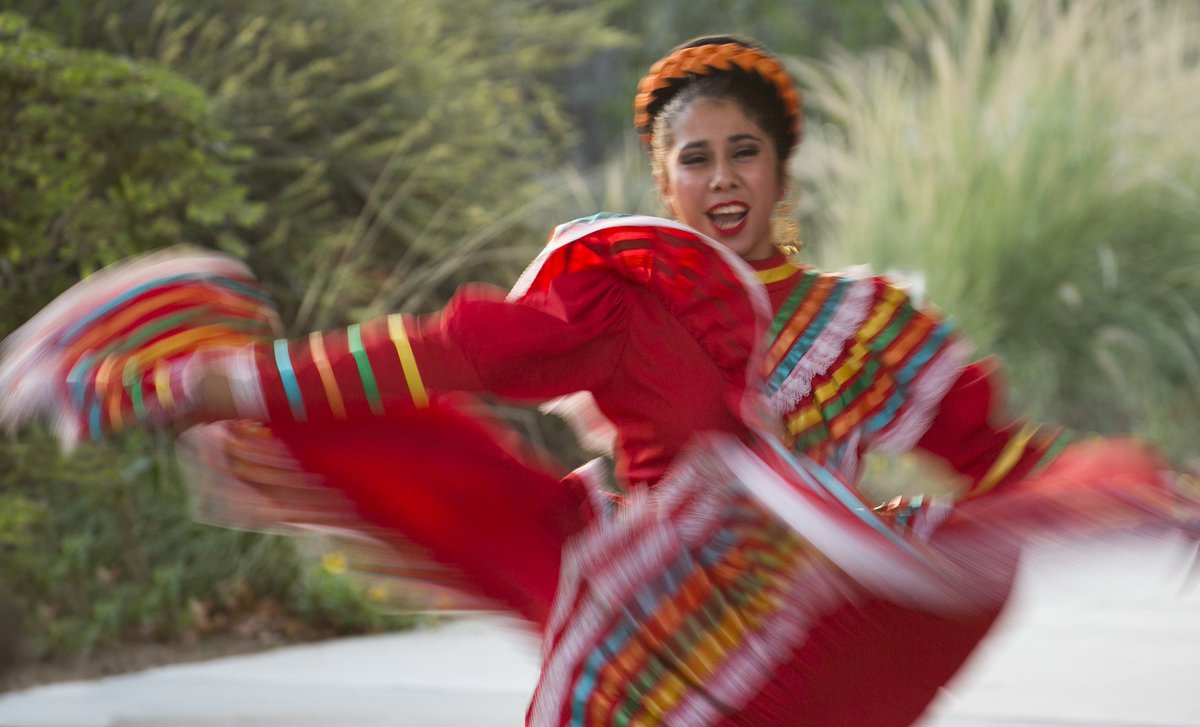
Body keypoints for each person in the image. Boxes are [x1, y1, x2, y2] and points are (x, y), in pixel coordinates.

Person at [0, 38, 1192, 727]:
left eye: (745, 154)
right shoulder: (637, 286)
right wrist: (240, 382)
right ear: (662, 177)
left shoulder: (867, 320)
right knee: (430, 457)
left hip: (809, 619)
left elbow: (998, 457)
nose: (722, 179)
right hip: (639, 605)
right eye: (695, 158)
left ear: (783, 169)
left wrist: (1103, 493)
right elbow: (461, 355)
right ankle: (185, 362)